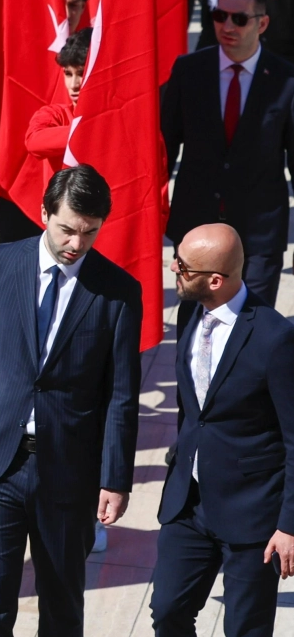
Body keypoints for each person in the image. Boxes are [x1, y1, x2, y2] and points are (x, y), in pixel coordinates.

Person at [0, 165, 142, 637]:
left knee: (62, 605)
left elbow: (122, 396)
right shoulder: (0, 263)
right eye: (67, 228)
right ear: (45, 213)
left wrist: (115, 477)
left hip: (68, 472)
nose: (77, 243)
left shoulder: (119, 293)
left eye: (89, 233)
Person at [149, 223, 294, 637]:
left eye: (182, 267)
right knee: (168, 611)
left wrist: (289, 525)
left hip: (252, 516)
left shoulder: (276, 339)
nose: (173, 270)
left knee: (245, 630)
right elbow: (193, 410)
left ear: (215, 280)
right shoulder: (188, 312)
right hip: (188, 505)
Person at [162, 0, 294, 310]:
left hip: (259, 233)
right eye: (219, 16)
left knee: (253, 329)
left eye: (239, 18)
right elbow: (164, 144)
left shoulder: (285, 80)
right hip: (197, 227)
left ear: (262, 23)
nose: (227, 26)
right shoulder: (188, 71)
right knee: (194, 330)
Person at [22, 28, 91, 190]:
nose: (74, 84)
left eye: (81, 73)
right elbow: (34, 142)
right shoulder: (54, 115)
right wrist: (90, 130)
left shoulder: (121, 120)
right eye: (68, 74)